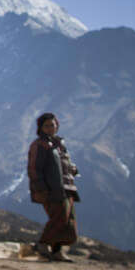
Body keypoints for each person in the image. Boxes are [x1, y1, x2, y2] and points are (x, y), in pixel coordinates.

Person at [26, 112, 80, 262]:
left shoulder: (59, 144)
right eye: (47, 125)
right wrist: (41, 188)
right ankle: (42, 244)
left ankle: (57, 251)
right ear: (41, 128)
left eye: (53, 125)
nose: (51, 128)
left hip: (66, 188)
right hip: (51, 189)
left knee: (68, 221)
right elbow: (34, 168)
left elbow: (62, 164)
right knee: (59, 218)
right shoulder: (39, 145)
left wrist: (72, 169)